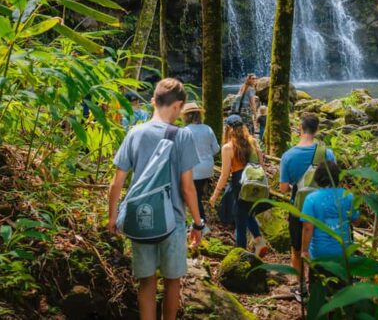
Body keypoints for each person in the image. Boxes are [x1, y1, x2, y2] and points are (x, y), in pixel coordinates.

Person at [107, 78, 204, 320]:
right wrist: (198, 223)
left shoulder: (135, 133)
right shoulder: (182, 137)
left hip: (141, 218)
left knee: (146, 283)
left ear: (154, 101)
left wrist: (112, 217)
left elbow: (116, 181)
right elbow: (187, 187)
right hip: (173, 223)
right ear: (178, 105)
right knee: (173, 282)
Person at [279, 113, 336, 297]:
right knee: (318, 243)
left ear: (300, 128)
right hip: (323, 206)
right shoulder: (327, 153)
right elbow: (334, 180)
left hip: (298, 207)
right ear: (317, 129)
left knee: (297, 247)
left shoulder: (288, 156)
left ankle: (301, 285)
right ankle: (319, 284)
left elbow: (283, 189)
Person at [209, 114, 269, 257]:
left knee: (240, 218)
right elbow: (261, 165)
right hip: (255, 181)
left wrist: (215, 194)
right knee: (247, 214)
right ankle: (259, 241)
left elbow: (224, 175)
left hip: (239, 183)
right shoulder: (253, 142)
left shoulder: (228, 148)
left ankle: (240, 253)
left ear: (228, 129)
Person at [301, 160, 358, 302]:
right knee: (342, 291)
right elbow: (356, 220)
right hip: (343, 251)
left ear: (317, 177)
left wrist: (304, 250)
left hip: (320, 253)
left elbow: (308, 227)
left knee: (319, 291)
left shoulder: (311, 199)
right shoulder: (348, 196)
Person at [181, 102, 219, 235]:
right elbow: (216, 149)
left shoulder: (185, 131)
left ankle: (200, 226)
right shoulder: (207, 128)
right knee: (196, 195)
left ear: (186, 117)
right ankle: (198, 223)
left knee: (191, 196)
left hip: (193, 169)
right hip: (207, 168)